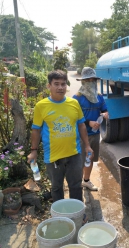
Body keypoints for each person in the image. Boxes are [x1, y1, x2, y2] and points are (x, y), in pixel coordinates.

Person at [27, 69, 93, 202]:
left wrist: (87, 146)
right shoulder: (41, 106)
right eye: (56, 84)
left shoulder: (74, 103)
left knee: (75, 186)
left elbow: (81, 125)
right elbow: (36, 130)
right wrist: (33, 151)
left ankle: (77, 213)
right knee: (57, 188)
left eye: (63, 84)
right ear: (49, 86)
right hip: (53, 157)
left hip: (74, 154)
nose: (60, 87)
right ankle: (60, 216)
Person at [73, 67, 109, 191]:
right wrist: (89, 122)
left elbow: (105, 111)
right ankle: (76, 183)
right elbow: (74, 118)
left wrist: (104, 115)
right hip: (81, 135)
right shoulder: (76, 98)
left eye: (93, 80)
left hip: (94, 134)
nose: (91, 82)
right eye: (88, 80)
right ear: (83, 81)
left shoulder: (99, 97)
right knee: (79, 160)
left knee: (90, 159)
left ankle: (86, 181)